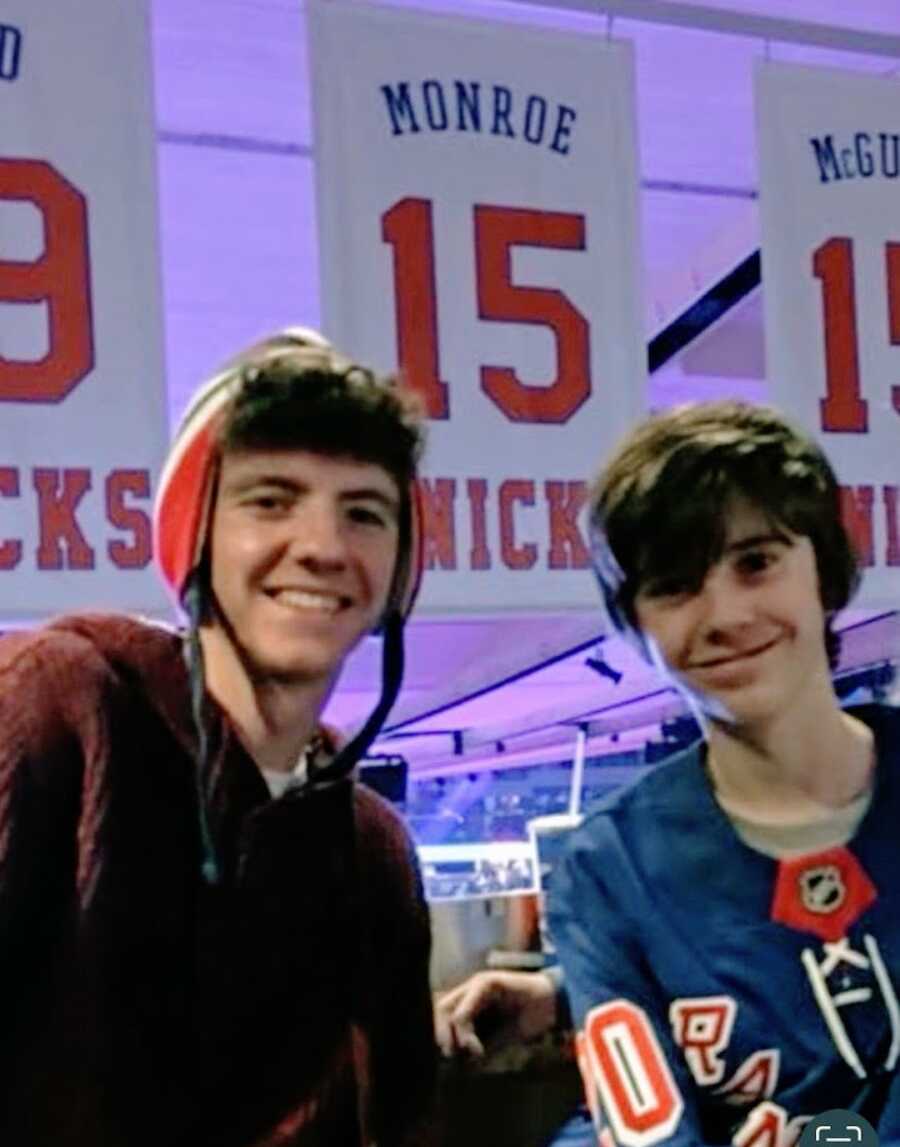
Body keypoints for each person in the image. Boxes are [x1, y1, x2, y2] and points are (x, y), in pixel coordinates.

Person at [0, 329, 436, 1146]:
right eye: (270, 498)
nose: (323, 547)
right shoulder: (56, 707)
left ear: (402, 570)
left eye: (365, 513)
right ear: (189, 536)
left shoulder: (372, 852)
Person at [436, 401, 900, 1145]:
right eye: (675, 586)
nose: (724, 613)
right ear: (635, 627)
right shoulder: (609, 873)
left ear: (827, 569)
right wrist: (573, 991)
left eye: (756, 561)